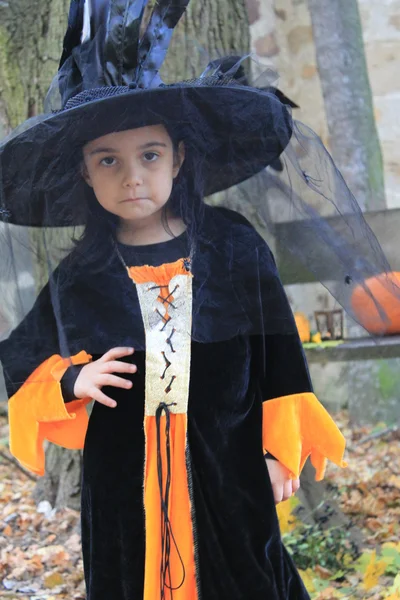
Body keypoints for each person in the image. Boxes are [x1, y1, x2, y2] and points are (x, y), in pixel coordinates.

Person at [3, 0, 389, 598]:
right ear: (84, 173)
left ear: (179, 158)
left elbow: (278, 352)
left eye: (149, 155)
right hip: (124, 484)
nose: (132, 177)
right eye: (108, 160)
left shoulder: (231, 245)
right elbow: (23, 356)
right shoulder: (84, 272)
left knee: (244, 578)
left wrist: (281, 453)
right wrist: (71, 383)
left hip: (227, 467)